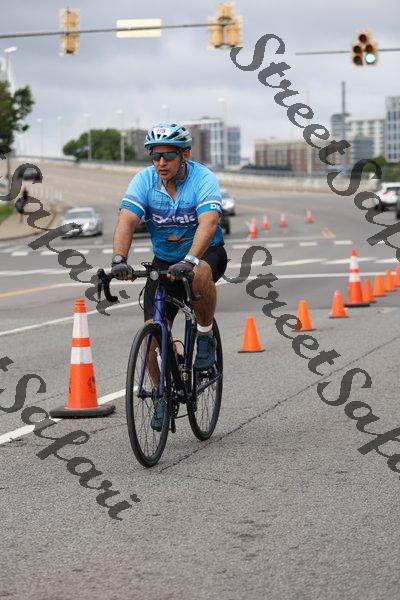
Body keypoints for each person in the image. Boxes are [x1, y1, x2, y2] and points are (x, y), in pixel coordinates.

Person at [111, 123, 228, 430]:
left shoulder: (202, 178)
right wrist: (119, 259)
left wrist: (190, 259)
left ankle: (205, 336)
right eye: (155, 156)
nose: (160, 162)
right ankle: (162, 393)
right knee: (153, 334)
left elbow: (209, 221)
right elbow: (127, 219)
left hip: (204, 254)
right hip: (164, 261)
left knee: (199, 273)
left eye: (168, 156)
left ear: (184, 155)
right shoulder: (145, 180)